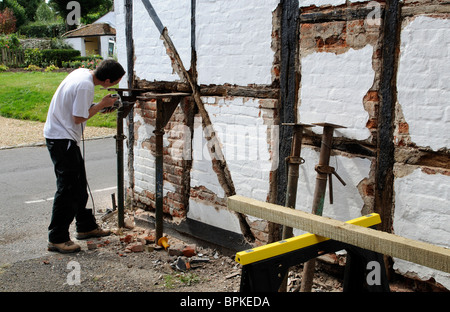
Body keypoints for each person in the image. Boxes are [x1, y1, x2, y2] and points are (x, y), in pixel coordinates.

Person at [43, 59, 125, 253]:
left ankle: (86, 227)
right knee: (67, 189)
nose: (113, 86)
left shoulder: (83, 73)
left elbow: (77, 108)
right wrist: (101, 104)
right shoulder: (86, 86)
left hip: (63, 136)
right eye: (114, 82)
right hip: (61, 139)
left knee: (80, 186)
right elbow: (78, 117)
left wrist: (100, 106)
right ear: (107, 80)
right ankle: (57, 238)